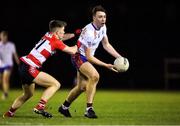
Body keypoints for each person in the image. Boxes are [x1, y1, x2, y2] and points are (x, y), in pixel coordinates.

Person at [58, 5, 123, 119]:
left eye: (104, 17)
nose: (103, 19)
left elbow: (106, 45)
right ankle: (89, 109)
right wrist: (106, 65)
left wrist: (120, 57)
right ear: (94, 18)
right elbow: (89, 57)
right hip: (78, 56)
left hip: (86, 57)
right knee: (95, 76)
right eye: (100, 17)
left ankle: (64, 107)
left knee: (82, 87)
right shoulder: (88, 31)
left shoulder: (103, 27)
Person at [3, 20, 77, 118]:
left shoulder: (48, 35)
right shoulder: (55, 41)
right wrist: (80, 43)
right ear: (56, 32)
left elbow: (61, 37)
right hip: (30, 67)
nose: (64, 32)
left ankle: (9, 113)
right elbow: (72, 51)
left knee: (28, 94)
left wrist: (73, 35)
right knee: (55, 84)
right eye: (63, 30)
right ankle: (40, 106)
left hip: (23, 66)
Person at [0, 31, 20, 100]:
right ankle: (4, 92)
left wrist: (18, 63)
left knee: (5, 79)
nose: (3, 38)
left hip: (9, 64)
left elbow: (15, 54)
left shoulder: (11, 45)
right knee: (1, 80)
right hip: (1, 65)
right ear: (1, 37)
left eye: (5, 37)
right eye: (2, 36)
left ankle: (5, 94)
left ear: (6, 37)